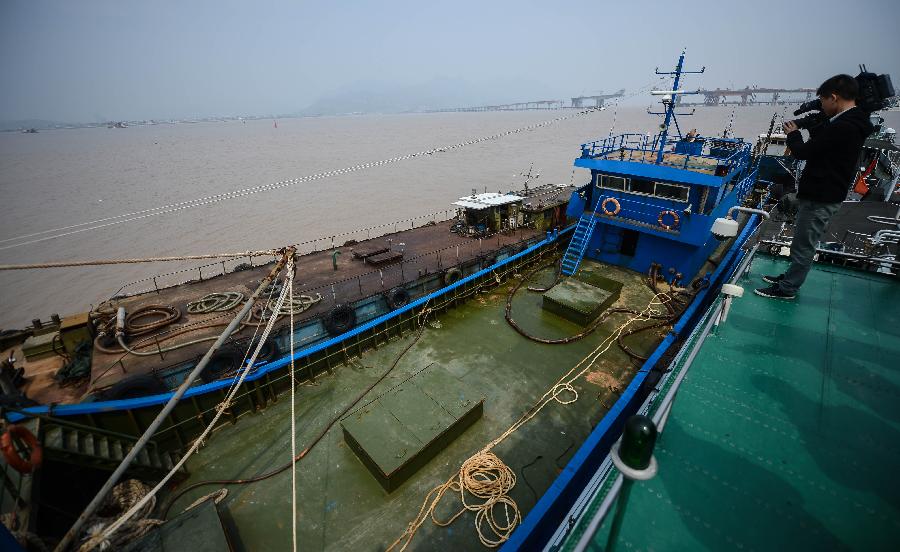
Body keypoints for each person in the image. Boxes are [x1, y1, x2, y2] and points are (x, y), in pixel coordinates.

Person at [755, 75, 874, 299]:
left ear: (834, 97)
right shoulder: (850, 122)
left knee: (804, 246)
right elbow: (824, 148)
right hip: (822, 191)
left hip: (822, 195)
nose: (822, 105)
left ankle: (787, 289)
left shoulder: (844, 126)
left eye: (823, 100)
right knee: (802, 241)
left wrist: (792, 134)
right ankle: (790, 278)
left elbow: (804, 152)